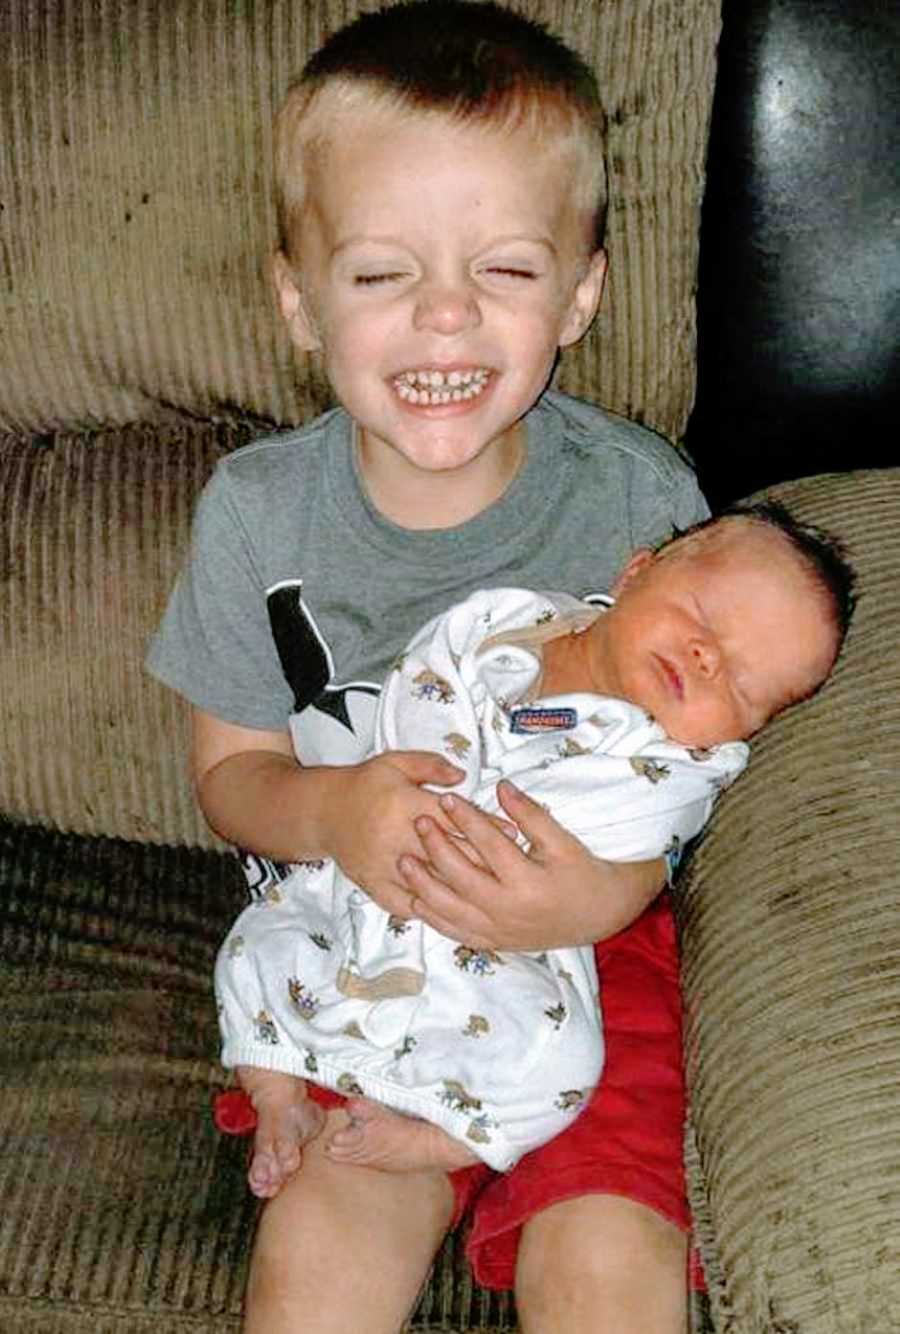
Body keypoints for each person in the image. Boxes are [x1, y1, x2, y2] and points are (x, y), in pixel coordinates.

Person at [146, 2, 757, 1329]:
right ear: (298, 301)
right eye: (380, 275)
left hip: (595, 938)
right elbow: (230, 776)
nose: (443, 315)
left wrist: (586, 897)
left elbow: (700, 763)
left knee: (610, 1256)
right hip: (355, 933)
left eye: (505, 271)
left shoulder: (643, 508)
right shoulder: (257, 513)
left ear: (582, 294)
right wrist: (340, 812)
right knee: (322, 1245)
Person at [212, 503, 852, 1188]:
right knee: (260, 941)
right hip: (366, 875)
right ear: (637, 571)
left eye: (739, 684)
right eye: (704, 617)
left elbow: (610, 837)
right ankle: (276, 1095)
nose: (705, 658)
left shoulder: (666, 767)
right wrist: (414, 792)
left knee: (562, 1061)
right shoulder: (501, 627)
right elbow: (424, 678)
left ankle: (447, 1141)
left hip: (497, 944)